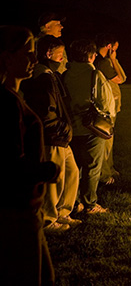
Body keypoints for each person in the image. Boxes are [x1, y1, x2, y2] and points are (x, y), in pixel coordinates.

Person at [0, 25, 56, 285]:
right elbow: (10, 164)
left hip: (26, 211)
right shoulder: (7, 103)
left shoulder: (14, 97)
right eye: (28, 53)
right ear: (7, 58)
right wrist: (47, 170)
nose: (35, 59)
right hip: (17, 214)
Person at [22, 35, 81, 233]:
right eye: (60, 55)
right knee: (56, 178)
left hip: (61, 136)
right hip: (53, 136)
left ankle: (63, 211)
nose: (63, 59)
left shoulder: (50, 75)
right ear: (49, 54)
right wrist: (60, 128)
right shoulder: (43, 77)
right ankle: (48, 219)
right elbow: (47, 111)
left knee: (71, 172)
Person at [63, 39, 115, 214]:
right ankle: (90, 203)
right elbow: (107, 104)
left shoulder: (65, 75)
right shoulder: (95, 75)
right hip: (92, 127)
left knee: (74, 166)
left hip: (71, 127)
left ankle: (74, 201)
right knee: (92, 167)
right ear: (92, 56)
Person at [94, 33, 127, 184]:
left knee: (109, 140)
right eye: (114, 49)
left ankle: (109, 167)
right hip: (106, 106)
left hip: (111, 105)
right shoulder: (103, 63)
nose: (115, 52)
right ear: (109, 47)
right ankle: (105, 173)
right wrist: (113, 60)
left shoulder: (105, 61)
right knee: (106, 140)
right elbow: (120, 79)